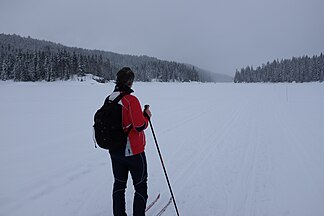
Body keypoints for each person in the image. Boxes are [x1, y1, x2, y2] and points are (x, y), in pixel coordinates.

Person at [108, 67, 152, 216]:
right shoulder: (131, 100)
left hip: (115, 151)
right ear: (130, 82)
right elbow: (139, 126)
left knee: (119, 185)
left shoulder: (110, 98)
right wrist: (146, 117)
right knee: (140, 186)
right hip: (134, 151)